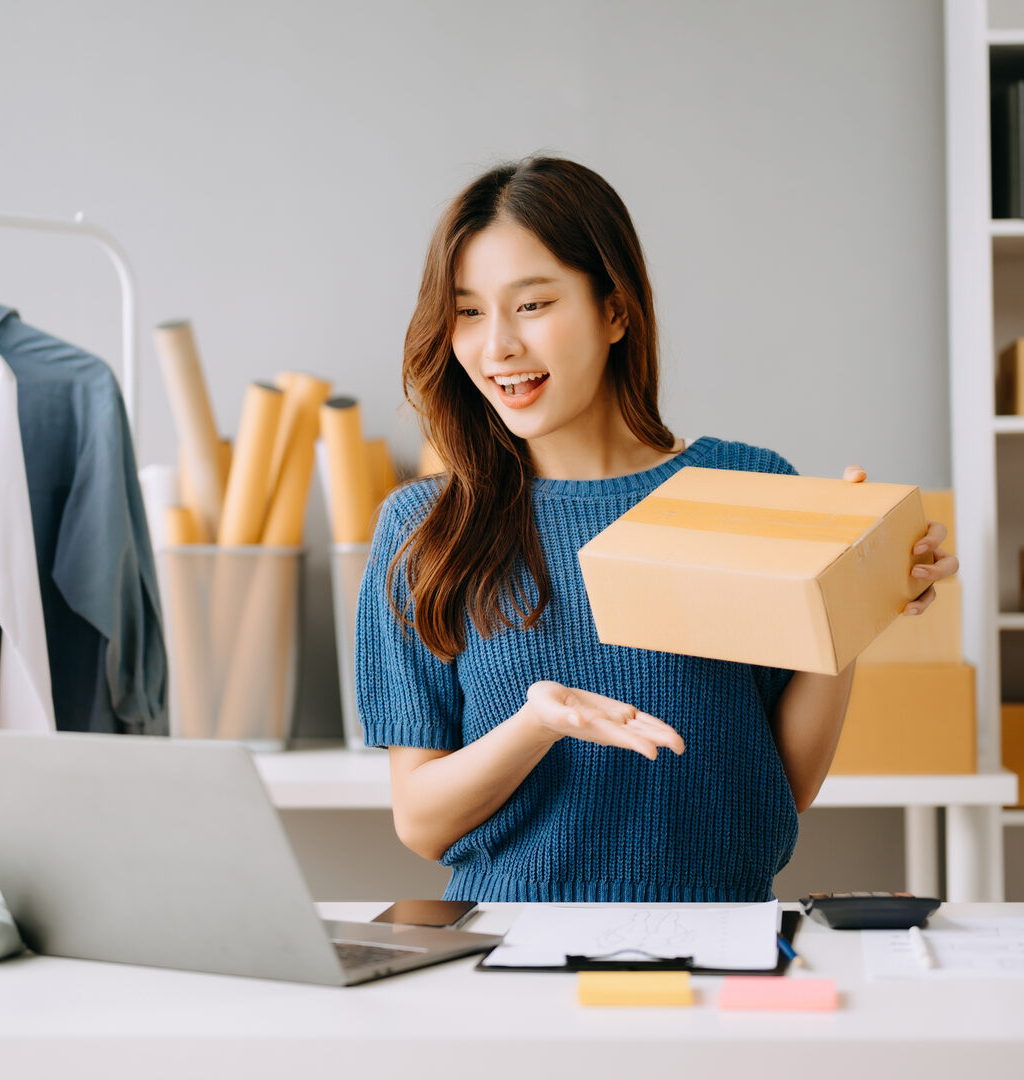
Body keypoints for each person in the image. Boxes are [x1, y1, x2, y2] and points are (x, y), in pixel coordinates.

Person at [353, 156, 958, 903]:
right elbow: (420, 821)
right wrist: (537, 725)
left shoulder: (747, 491)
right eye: (468, 311)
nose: (497, 346)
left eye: (532, 305)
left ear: (615, 311)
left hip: (719, 940)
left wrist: (854, 594)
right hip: (508, 953)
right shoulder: (423, 528)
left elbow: (785, 789)